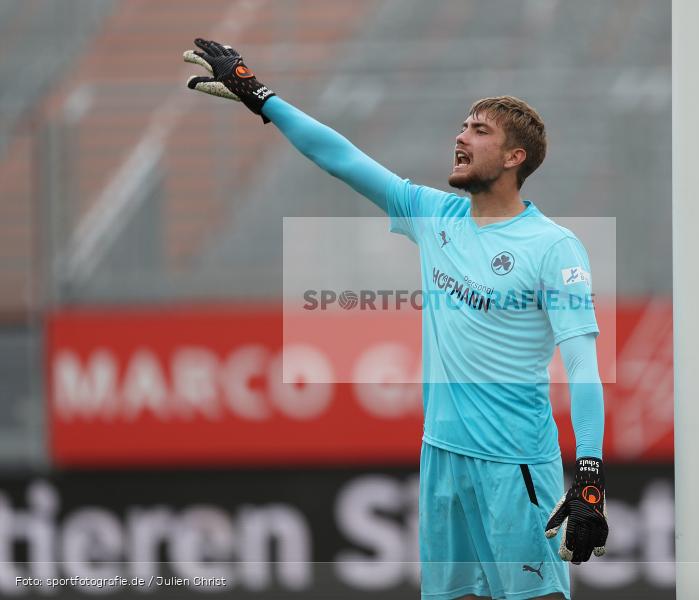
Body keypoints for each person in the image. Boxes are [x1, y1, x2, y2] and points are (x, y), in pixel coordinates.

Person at [184, 38, 608, 600]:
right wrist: (260, 97)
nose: (461, 136)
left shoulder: (553, 247)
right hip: (442, 460)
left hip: (515, 466)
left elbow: (582, 365)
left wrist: (591, 478)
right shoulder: (433, 214)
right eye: (463, 125)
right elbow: (339, 157)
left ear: (515, 158)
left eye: (480, 131)